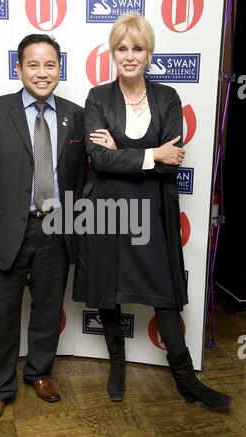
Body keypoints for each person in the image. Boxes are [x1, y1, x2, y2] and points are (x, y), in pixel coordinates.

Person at [73, 13, 232, 410]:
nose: (129, 56)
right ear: (113, 53)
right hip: (107, 211)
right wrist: (147, 153)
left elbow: (170, 161)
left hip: (152, 212)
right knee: (108, 294)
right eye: (122, 49)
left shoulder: (167, 98)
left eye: (138, 49)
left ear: (149, 54)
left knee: (164, 293)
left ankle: (185, 379)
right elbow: (98, 158)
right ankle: (117, 365)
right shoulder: (97, 97)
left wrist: (121, 149)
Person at [0, 34, 86, 426]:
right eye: (33, 65)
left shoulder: (75, 114)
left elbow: (82, 176)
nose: (42, 72)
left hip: (57, 228)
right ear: (18, 69)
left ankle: (39, 372)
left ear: (59, 69)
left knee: (49, 310)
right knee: (1, 315)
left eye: (50, 65)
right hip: (5, 233)